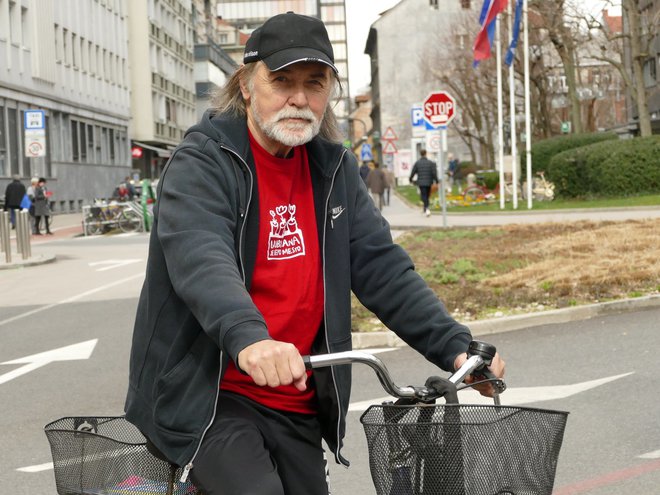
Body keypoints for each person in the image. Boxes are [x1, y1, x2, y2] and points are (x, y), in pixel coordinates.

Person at [124, 12, 505, 495]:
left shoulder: (333, 170)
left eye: (314, 82)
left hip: (295, 395)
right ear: (246, 84)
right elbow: (202, 260)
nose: (299, 98)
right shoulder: (203, 163)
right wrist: (249, 339)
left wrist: (453, 345)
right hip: (210, 395)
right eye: (281, 81)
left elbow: (380, 266)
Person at [409, 149, 438, 217]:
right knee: (427, 195)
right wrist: (436, 181)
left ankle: (426, 208)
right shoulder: (430, 163)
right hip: (429, 182)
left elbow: (413, 172)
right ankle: (426, 208)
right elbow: (434, 173)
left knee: (423, 195)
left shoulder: (417, 163)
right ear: (426, 154)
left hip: (421, 182)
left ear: (420, 154)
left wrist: (410, 179)